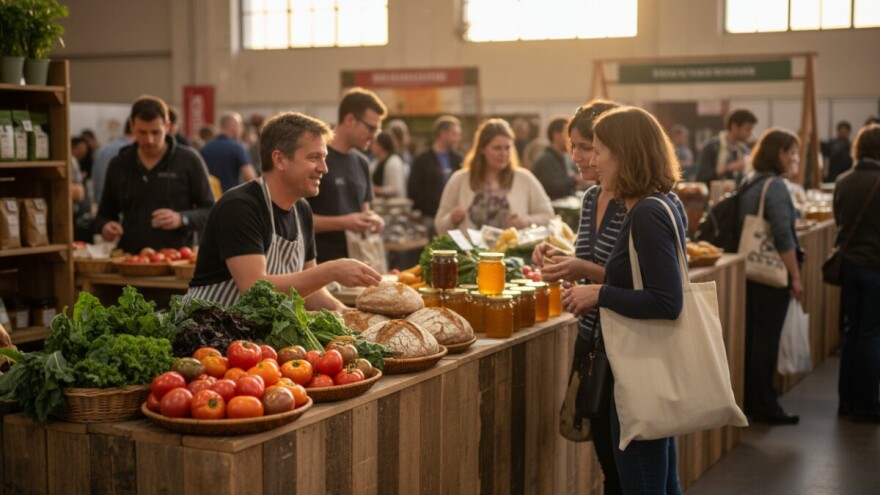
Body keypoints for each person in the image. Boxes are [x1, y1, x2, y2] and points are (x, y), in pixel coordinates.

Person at [560, 106, 686, 494]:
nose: (592, 161)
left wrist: (599, 292)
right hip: (641, 362)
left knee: (642, 482)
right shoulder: (654, 203)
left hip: (636, 368)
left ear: (625, 154)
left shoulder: (646, 212)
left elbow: (667, 301)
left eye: (598, 151)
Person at [187, 112, 381, 309]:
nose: (324, 168)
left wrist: (348, 314)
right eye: (314, 157)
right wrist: (331, 271)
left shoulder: (302, 209)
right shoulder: (240, 207)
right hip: (207, 333)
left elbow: (311, 293)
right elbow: (254, 289)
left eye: (324, 158)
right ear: (279, 159)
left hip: (254, 336)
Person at [531, 99, 624, 495]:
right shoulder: (591, 198)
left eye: (587, 147)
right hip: (591, 342)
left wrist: (582, 271)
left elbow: (641, 283)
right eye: (574, 146)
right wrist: (559, 259)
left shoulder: (639, 203)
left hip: (628, 345)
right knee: (607, 454)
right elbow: (588, 264)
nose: (578, 156)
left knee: (630, 466)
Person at [737, 128, 804, 425]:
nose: (794, 158)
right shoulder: (775, 186)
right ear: (779, 153)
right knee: (766, 339)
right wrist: (796, 276)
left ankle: (755, 399)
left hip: (749, 271)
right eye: (791, 152)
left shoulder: (750, 180)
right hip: (770, 273)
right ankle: (765, 404)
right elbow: (782, 236)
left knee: (754, 338)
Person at [94, 95, 215, 253]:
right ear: (132, 126)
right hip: (131, 259)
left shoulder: (189, 160)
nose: (149, 140)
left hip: (177, 260)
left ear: (167, 126)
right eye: (142, 133)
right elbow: (104, 214)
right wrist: (106, 226)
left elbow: (210, 210)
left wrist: (182, 218)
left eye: (155, 132)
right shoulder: (119, 164)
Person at [833, 123, 880, 423]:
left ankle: (846, 401)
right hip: (875, 266)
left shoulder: (843, 180)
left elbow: (839, 219)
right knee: (871, 334)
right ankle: (866, 403)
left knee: (851, 332)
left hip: (848, 265)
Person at [307, 87, 387, 263]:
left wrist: (372, 220)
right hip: (319, 267)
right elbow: (296, 221)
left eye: (377, 131)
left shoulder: (362, 162)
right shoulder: (315, 158)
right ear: (350, 119)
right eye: (371, 128)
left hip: (356, 263)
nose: (373, 136)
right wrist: (344, 222)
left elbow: (364, 211)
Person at [434, 119, 554, 234]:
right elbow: (439, 224)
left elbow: (548, 216)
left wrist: (525, 221)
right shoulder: (459, 179)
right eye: (497, 148)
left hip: (511, 253)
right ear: (482, 149)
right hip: (469, 253)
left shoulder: (524, 178)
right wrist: (451, 219)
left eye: (507, 148)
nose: (504, 154)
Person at [407, 115, 463, 219]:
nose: (457, 139)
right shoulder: (422, 159)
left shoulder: (458, 159)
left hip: (453, 217)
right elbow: (413, 188)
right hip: (429, 216)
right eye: (454, 134)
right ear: (443, 134)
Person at [696, 109, 757, 186]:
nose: (750, 134)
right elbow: (701, 178)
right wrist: (728, 168)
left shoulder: (745, 151)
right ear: (734, 126)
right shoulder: (712, 148)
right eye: (747, 129)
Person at [200, 111, 258, 192]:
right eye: (240, 125)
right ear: (232, 126)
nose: (242, 129)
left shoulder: (205, 148)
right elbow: (250, 177)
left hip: (211, 199)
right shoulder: (237, 148)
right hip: (231, 199)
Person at [531, 116, 577, 199]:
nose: (571, 139)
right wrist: (574, 181)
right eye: (567, 135)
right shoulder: (544, 161)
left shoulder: (567, 159)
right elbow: (553, 188)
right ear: (556, 135)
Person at [92, 120, 133, 204]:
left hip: (102, 207)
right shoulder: (129, 152)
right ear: (133, 127)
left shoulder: (103, 148)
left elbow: (95, 179)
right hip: (121, 209)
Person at [369, 131, 406, 198]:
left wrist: (376, 189)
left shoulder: (394, 162)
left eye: (374, 144)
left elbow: (396, 188)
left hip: (393, 205)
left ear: (382, 145)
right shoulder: (376, 162)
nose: (371, 147)